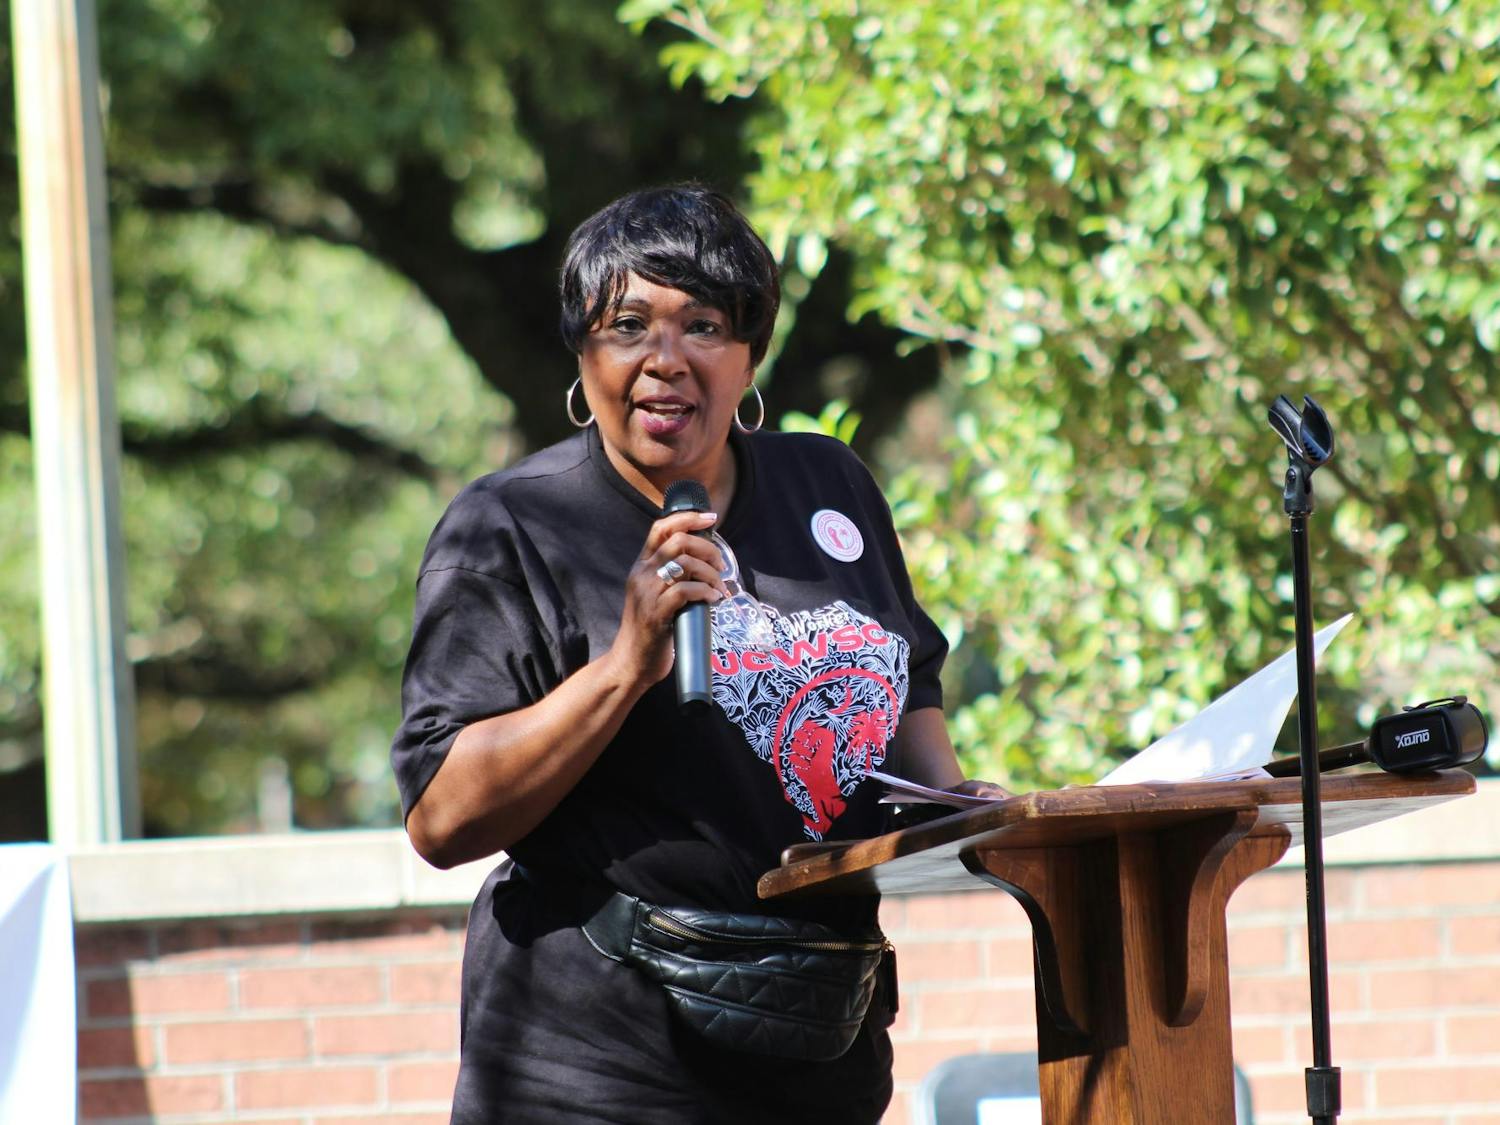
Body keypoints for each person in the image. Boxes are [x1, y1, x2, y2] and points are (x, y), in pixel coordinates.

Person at [391, 184, 1003, 1124]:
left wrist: (952, 799)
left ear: (750, 352)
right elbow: (441, 817)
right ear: (584, 353)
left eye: (705, 325)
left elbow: (907, 672)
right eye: (628, 325)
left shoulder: (828, 483)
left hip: (817, 1048)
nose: (665, 359)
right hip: (598, 1066)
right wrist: (626, 664)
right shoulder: (511, 525)